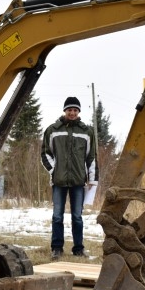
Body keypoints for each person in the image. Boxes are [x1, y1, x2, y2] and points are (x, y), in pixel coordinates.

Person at [41, 96, 98, 260]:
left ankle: (78, 249)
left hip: (78, 182)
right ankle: (57, 248)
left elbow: (91, 157)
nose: (72, 112)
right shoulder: (52, 130)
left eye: (75, 110)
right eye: (69, 109)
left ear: (79, 111)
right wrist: (53, 171)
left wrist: (92, 179)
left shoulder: (86, 132)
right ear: (64, 110)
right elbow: (45, 153)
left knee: (77, 217)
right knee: (57, 216)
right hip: (58, 181)